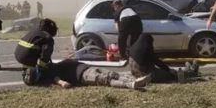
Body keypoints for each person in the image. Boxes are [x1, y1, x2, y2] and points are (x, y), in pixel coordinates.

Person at [22, 58, 152, 90]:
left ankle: (134, 79)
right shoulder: (51, 74)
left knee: (113, 74)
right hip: (83, 75)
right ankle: (131, 84)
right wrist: (63, 83)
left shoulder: (51, 66)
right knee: (106, 79)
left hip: (87, 67)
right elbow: (57, 79)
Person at [129, 33, 199, 83]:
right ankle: (192, 73)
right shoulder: (145, 49)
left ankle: (187, 70)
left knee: (169, 71)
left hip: (137, 74)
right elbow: (157, 61)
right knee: (171, 74)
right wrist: (167, 70)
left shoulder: (133, 49)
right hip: (147, 75)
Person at [15, 18, 57, 85]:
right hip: (27, 56)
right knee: (44, 71)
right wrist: (42, 67)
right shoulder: (47, 37)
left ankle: (27, 70)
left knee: (34, 51)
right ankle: (33, 75)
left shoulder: (33, 31)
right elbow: (45, 53)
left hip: (18, 55)